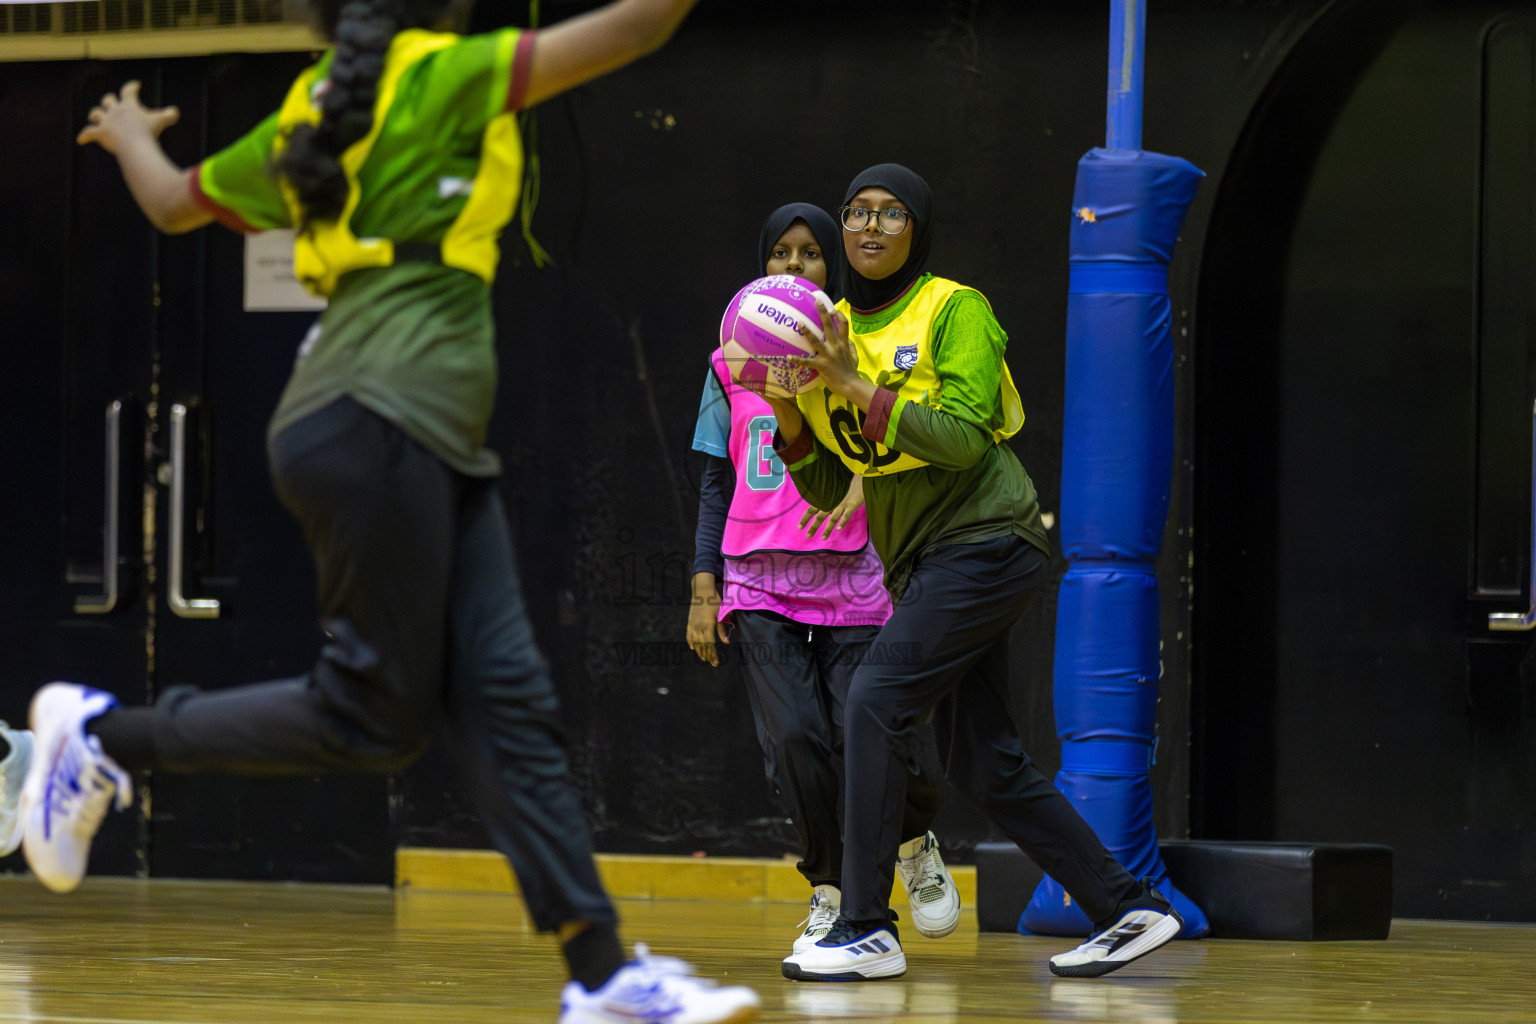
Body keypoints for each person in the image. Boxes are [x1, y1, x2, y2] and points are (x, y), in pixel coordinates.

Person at [19, 2, 760, 1022]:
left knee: (510, 708)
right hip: (380, 422)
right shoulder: (445, 74)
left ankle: (604, 975)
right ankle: (104, 734)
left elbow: (175, 205)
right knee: (367, 719)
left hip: (404, 433)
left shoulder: (311, 109)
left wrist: (137, 137)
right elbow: (636, 25)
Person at [751, 164, 1183, 982]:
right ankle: (1130, 907)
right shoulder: (825, 326)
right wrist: (786, 408)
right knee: (985, 763)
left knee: (875, 698)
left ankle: (866, 925)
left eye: (891, 213)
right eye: (857, 213)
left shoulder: (954, 308)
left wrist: (850, 383)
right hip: (924, 565)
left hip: (988, 539)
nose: (870, 227)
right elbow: (825, 483)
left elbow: (962, 438)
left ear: (917, 229)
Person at [687, 203, 960, 959]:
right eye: (781, 253)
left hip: (853, 574)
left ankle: (911, 837)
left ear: (828, 269)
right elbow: (715, 481)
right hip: (758, 578)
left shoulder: (854, 349)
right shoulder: (728, 360)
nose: (795, 267)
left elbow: (894, 442)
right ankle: (832, 895)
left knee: (867, 733)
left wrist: (856, 490)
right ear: (763, 266)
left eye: (810, 254)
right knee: (796, 742)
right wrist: (703, 585)